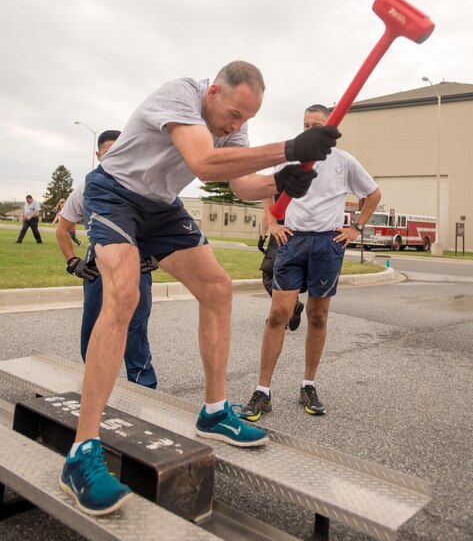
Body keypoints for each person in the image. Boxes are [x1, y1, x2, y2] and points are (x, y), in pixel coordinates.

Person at [60, 61, 341, 515]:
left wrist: (279, 180)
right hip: (114, 192)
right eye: (234, 115)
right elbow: (204, 163)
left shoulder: (235, 124)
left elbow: (241, 182)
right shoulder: (179, 94)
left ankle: (213, 412)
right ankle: (82, 451)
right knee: (124, 294)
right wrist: (287, 147)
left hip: (160, 205)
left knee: (218, 287)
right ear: (212, 92)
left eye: (247, 119)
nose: (238, 126)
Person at [240, 104, 381, 422]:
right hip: (292, 241)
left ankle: (308, 385)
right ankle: (262, 391)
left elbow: (372, 194)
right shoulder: (291, 157)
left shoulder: (344, 162)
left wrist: (356, 227)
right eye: (305, 125)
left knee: (318, 316)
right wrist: (273, 223)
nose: (308, 130)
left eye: (315, 125)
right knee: (278, 314)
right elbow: (266, 187)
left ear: (328, 128)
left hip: (328, 244)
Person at [56, 130, 158, 389]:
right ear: (98, 155)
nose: (113, 158)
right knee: (94, 331)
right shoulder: (88, 187)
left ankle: (143, 389)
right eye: (107, 153)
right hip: (97, 271)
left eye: (119, 151)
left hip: (137, 269)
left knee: (135, 332)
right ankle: (96, 388)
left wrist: (156, 256)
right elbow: (62, 229)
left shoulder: (144, 185)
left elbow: (163, 228)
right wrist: (73, 263)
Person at [258, 198, 304, 331]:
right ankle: (283, 316)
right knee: (289, 276)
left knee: (268, 276)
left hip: (279, 233)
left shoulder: (278, 183)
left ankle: (292, 305)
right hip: (299, 236)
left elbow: (267, 212)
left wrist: (262, 236)